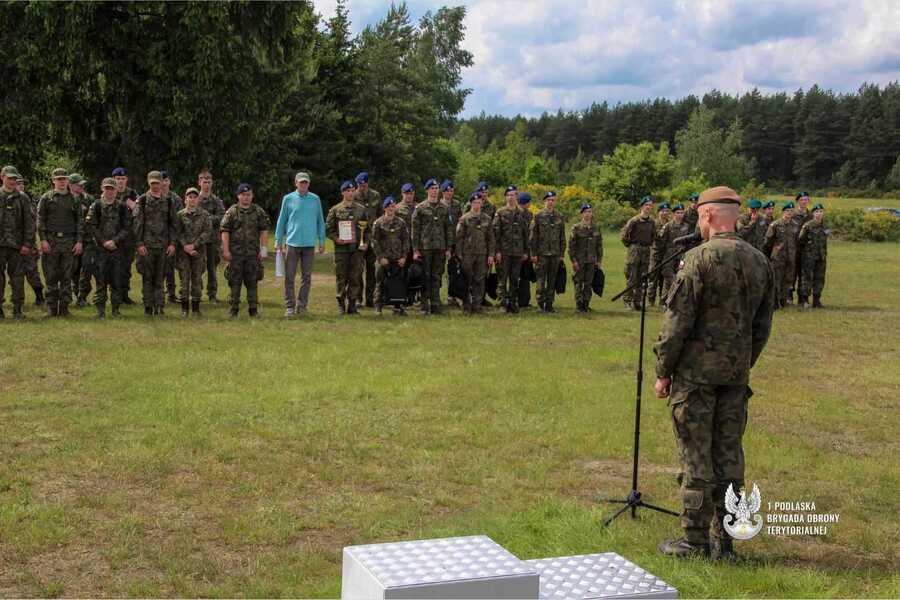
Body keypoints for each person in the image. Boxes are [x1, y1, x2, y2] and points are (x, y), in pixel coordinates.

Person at [653, 185, 774, 561]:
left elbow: (676, 325)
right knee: (729, 455)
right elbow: (762, 325)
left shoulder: (698, 259)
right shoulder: (759, 261)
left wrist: (663, 370)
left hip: (696, 378)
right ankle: (727, 541)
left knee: (696, 455)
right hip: (736, 376)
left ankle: (694, 539)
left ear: (706, 215)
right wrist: (742, 362)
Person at [275, 171, 325, 316]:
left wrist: (321, 241)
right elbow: (281, 220)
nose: (303, 185)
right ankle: (290, 306)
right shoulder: (288, 199)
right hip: (292, 243)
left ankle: (302, 305)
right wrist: (278, 240)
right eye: (301, 182)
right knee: (289, 276)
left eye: (306, 182)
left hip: (309, 244)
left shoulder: (315, 199)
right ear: (296, 183)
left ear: (309, 184)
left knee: (306, 277)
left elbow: (320, 221)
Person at [38, 168, 83, 317]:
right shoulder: (46, 198)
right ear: (53, 180)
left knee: (66, 276)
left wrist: (79, 242)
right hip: (51, 241)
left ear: (68, 181)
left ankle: (64, 307)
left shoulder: (75, 199)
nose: (62, 181)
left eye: (64, 179)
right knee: (50, 275)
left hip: (69, 241)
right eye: (59, 179)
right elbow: (40, 220)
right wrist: (43, 239)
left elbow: (80, 223)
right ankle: (51, 307)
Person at [221, 183, 269, 318]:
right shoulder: (232, 212)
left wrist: (263, 249)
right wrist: (225, 251)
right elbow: (225, 231)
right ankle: (233, 309)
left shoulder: (258, 211)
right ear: (238, 196)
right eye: (243, 195)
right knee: (234, 282)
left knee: (252, 282)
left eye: (248, 195)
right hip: (236, 254)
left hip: (252, 254)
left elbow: (264, 231)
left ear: (252, 196)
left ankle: (253, 310)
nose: (246, 197)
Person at [84, 178, 131, 318]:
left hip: (117, 249)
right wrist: (104, 242)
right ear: (102, 189)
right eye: (107, 188)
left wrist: (115, 241)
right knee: (101, 280)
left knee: (117, 280)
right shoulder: (96, 206)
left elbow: (127, 227)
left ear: (116, 190)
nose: (109, 191)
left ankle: (116, 310)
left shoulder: (122, 207)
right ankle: (100, 311)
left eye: (112, 188)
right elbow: (91, 226)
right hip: (100, 250)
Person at [133, 171, 178, 316]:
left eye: (157, 183)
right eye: (152, 183)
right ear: (148, 183)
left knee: (160, 278)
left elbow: (173, 225)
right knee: (147, 278)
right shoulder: (143, 200)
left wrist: (172, 244)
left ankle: (160, 306)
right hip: (147, 246)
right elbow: (138, 224)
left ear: (162, 183)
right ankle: (148, 307)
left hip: (164, 246)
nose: (155, 186)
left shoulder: (169, 201)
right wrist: (139, 244)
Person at [326, 180, 368, 315]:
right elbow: (328, 229)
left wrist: (365, 242)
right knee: (341, 277)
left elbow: (367, 229)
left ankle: (352, 305)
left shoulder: (361, 209)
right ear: (342, 192)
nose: (350, 193)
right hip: (341, 250)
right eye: (347, 191)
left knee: (355, 277)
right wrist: (336, 239)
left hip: (356, 250)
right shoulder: (335, 210)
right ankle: (340, 305)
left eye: (352, 191)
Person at [411, 178, 453, 314]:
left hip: (440, 247)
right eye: (432, 188)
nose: (435, 191)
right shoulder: (420, 208)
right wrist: (415, 249)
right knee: (425, 276)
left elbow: (449, 229)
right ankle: (424, 305)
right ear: (427, 190)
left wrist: (448, 248)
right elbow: (415, 230)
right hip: (425, 247)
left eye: (436, 188)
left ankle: (435, 304)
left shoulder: (444, 208)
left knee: (437, 276)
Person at [0, 166, 35, 319]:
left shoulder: (23, 198)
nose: (12, 181)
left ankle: (17, 309)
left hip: (17, 246)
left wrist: (27, 244)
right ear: (2, 177)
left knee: (18, 278)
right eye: (9, 178)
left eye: (14, 178)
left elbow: (30, 223)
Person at [455, 191, 495, 315]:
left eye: (479, 202)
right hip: (467, 254)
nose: (477, 205)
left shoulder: (487, 219)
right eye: (474, 202)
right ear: (471, 203)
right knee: (467, 280)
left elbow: (491, 238)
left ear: (482, 203)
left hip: (482, 254)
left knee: (480, 280)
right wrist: (459, 254)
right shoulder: (465, 218)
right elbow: (459, 237)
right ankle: (466, 305)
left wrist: (491, 254)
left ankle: (477, 305)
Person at [175, 187, 212, 317]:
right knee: (184, 281)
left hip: (199, 252)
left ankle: (196, 309)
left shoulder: (205, 215)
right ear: (185, 199)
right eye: (189, 197)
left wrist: (194, 246)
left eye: (195, 197)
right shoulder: (180, 215)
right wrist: (185, 246)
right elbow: (178, 232)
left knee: (197, 280)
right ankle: (184, 309)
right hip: (183, 253)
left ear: (198, 199)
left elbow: (207, 232)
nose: (192, 199)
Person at [493, 184, 529, 313]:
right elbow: (495, 234)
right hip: (504, 252)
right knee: (502, 279)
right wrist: (497, 251)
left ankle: (513, 303)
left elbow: (526, 234)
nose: (510, 197)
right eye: (508, 195)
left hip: (518, 251)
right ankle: (503, 303)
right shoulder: (500, 213)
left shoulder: (522, 213)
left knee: (515, 279)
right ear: (505, 197)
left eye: (513, 195)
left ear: (517, 197)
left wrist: (526, 251)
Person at [371, 196, 409, 316]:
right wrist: (380, 257)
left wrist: (404, 256)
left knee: (398, 283)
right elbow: (374, 241)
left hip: (398, 258)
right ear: (384, 208)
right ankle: (378, 306)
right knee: (380, 283)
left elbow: (406, 240)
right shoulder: (378, 223)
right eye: (389, 207)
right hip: (384, 259)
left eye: (393, 207)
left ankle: (397, 306)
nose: (391, 209)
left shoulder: (401, 222)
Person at [529, 190, 566, 313]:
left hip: (555, 254)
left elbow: (562, 237)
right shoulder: (538, 216)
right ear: (544, 201)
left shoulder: (559, 216)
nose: (551, 202)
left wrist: (561, 254)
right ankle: (540, 304)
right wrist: (533, 254)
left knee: (552, 280)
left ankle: (549, 304)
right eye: (548, 200)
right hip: (542, 254)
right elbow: (533, 237)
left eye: (553, 200)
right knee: (541, 280)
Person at [652, 203, 692, 308]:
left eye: (682, 212)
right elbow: (661, 242)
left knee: (680, 277)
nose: (680, 214)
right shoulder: (668, 226)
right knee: (668, 279)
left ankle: (675, 301)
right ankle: (664, 301)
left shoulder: (687, 226)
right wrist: (658, 256)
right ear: (673, 214)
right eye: (678, 213)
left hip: (682, 256)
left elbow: (688, 242)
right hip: (669, 256)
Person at [619, 196, 656, 311]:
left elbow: (653, 236)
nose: (648, 207)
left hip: (646, 250)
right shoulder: (634, 221)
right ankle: (627, 301)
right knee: (632, 276)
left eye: (650, 205)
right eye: (646, 205)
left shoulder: (652, 221)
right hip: (635, 250)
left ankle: (637, 301)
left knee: (643, 277)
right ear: (642, 207)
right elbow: (623, 235)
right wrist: (631, 245)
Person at [351, 171, 381, 308]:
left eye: (363, 184)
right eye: (359, 185)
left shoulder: (375, 196)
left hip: (373, 237)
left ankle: (370, 298)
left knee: (371, 269)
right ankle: (357, 298)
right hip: (358, 237)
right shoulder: (353, 196)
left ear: (367, 183)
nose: (361, 187)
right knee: (357, 269)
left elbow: (380, 215)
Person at [196, 170, 226, 303]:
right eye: (204, 181)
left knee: (212, 268)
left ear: (211, 183)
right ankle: (197, 292)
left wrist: (206, 218)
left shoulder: (216, 201)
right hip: (198, 240)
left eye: (208, 182)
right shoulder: (194, 199)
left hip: (213, 239)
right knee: (198, 267)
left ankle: (212, 294)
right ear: (199, 182)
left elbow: (222, 217)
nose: (206, 184)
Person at [568, 203, 603, 313]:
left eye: (590, 212)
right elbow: (571, 246)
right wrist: (573, 261)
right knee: (578, 283)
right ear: (582, 214)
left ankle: (586, 304)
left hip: (591, 260)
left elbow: (599, 246)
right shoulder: (576, 228)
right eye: (586, 212)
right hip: (580, 260)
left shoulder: (596, 228)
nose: (588, 214)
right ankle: (579, 305)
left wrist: (599, 260)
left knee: (588, 283)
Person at [15, 175, 44, 306]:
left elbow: (33, 222)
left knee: (32, 270)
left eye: (22, 183)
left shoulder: (28, 200)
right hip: (9, 242)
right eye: (18, 183)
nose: (21, 185)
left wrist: (30, 243)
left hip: (28, 242)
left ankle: (39, 296)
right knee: (14, 274)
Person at [764, 201, 799, 309]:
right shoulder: (775, 224)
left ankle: (783, 300)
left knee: (788, 280)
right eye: (787, 211)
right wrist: (773, 253)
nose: (789, 213)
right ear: (783, 212)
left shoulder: (795, 225)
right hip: (778, 257)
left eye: (791, 211)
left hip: (790, 257)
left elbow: (796, 240)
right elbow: (767, 241)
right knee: (777, 280)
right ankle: (774, 302)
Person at [112, 167, 139, 305]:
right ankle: (115, 295)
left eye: (122, 179)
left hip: (129, 237)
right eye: (118, 179)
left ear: (126, 180)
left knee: (126, 267)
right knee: (114, 267)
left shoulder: (132, 194)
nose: (120, 182)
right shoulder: (110, 192)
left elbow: (138, 213)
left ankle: (124, 294)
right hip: (114, 236)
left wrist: (134, 207)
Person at [67, 173, 94, 307]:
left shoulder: (89, 199)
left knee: (87, 267)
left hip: (87, 239)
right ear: (70, 185)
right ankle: (76, 295)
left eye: (83, 184)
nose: (82, 186)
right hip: (71, 240)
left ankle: (82, 295)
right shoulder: (66, 199)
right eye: (79, 185)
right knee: (73, 269)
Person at [798, 203, 828, 309]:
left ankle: (816, 300)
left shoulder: (825, 225)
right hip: (809, 256)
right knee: (807, 277)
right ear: (813, 213)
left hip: (821, 256)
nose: (819, 214)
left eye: (821, 212)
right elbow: (801, 240)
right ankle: (805, 300)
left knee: (819, 278)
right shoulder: (807, 225)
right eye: (816, 212)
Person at [160, 171, 184, 305]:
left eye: (166, 180)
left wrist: (175, 240)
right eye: (161, 180)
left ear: (169, 182)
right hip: (155, 237)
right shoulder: (150, 197)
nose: (163, 183)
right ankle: (156, 293)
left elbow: (180, 218)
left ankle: (171, 294)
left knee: (169, 266)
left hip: (171, 237)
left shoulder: (176, 199)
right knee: (156, 267)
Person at [648, 201, 672, 306]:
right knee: (653, 277)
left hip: (667, 253)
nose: (665, 213)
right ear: (658, 212)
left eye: (667, 211)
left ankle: (663, 301)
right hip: (656, 253)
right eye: (662, 211)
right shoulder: (653, 223)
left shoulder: (671, 223)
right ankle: (650, 300)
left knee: (665, 279)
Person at [790, 192, 813, 303]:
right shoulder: (791, 214)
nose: (804, 202)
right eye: (802, 200)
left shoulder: (811, 215)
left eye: (806, 199)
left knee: (805, 273)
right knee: (791, 272)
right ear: (798, 201)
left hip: (806, 249)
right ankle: (788, 296)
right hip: (793, 248)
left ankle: (803, 297)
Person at [517, 192, 534, 308]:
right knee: (519, 277)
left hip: (526, 249)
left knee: (525, 276)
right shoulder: (517, 214)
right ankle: (520, 301)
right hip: (518, 249)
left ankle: (524, 301)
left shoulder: (529, 214)